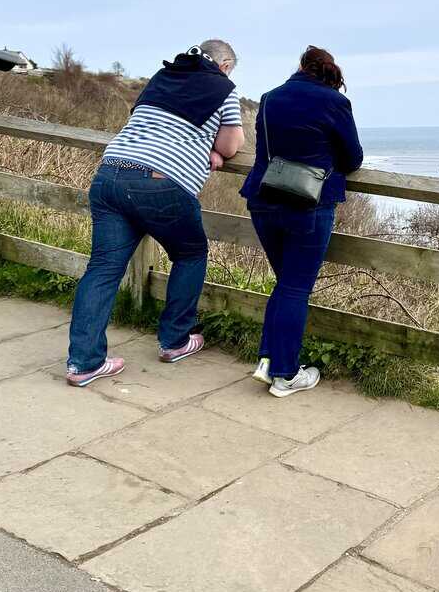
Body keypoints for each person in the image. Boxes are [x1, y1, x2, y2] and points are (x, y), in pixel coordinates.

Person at [65, 40, 245, 387]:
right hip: (159, 181)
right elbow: (230, 145)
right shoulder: (224, 88)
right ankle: (175, 341)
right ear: (224, 66)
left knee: (102, 268)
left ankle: (83, 363)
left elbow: (149, 125)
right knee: (191, 253)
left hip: (110, 172)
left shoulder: (162, 76)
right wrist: (212, 149)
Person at [240, 46, 362, 397]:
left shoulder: (270, 98)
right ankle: (286, 374)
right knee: (295, 287)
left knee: (286, 284)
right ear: (330, 74)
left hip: (263, 200)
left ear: (300, 67)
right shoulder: (334, 102)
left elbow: (266, 151)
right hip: (307, 204)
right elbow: (353, 157)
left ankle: (268, 361)